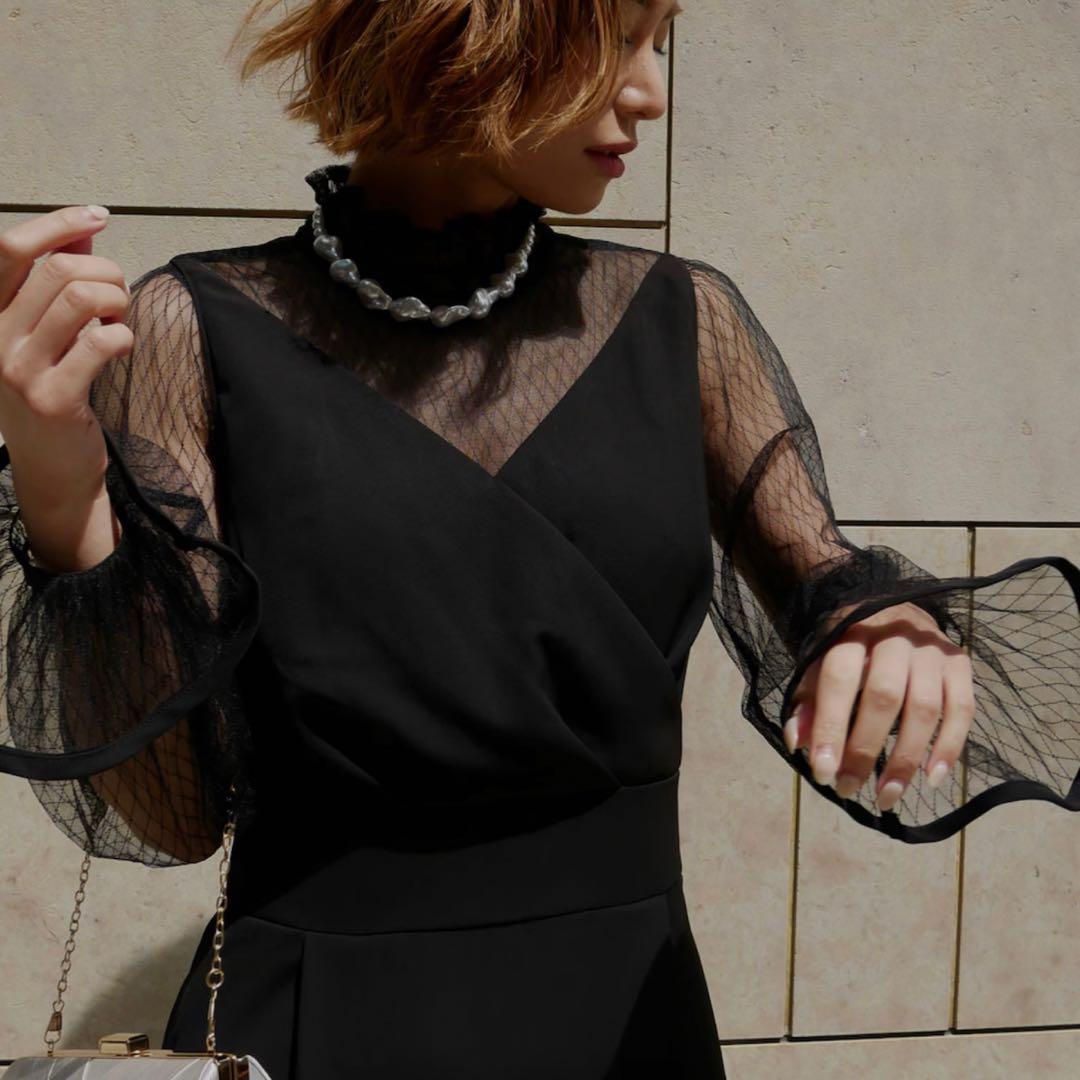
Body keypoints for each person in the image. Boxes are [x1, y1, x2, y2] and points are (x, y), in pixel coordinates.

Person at [0, 1, 1077, 1076]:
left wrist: (885, 627)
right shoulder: (192, 328)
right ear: (468, 25)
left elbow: (822, 578)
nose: (652, 93)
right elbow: (174, 811)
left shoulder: (682, 319)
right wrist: (59, 489)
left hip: (626, 1018)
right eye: (617, 40)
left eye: (660, 43)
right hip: (321, 1017)